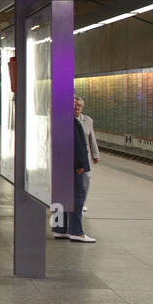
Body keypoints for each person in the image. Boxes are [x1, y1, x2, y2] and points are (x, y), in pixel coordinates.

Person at [61, 109, 96, 243]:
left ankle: (60, 229)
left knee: (62, 193)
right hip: (74, 166)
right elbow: (77, 145)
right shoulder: (72, 123)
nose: (77, 109)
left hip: (61, 164)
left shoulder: (59, 120)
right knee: (78, 194)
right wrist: (80, 165)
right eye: (75, 106)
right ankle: (76, 231)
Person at [75, 96, 99, 211]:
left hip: (84, 156)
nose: (76, 108)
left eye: (79, 105)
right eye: (74, 105)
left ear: (82, 107)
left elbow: (92, 138)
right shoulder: (64, 119)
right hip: (70, 155)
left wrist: (95, 154)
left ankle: (81, 203)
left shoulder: (88, 120)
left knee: (86, 178)